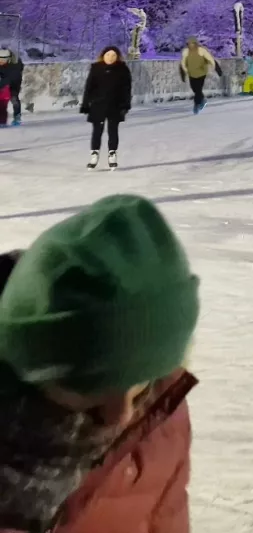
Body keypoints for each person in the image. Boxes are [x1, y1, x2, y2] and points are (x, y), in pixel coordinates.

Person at [0, 194, 200, 533]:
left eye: (141, 381)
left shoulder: (160, 417)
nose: (122, 415)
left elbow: (163, 519)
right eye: (91, 384)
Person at [81, 46, 132, 170]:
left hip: (115, 105)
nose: (111, 58)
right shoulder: (96, 68)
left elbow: (127, 89)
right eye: (108, 55)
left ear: (117, 57)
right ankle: (94, 154)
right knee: (97, 131)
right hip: (98, 105)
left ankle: (112, 154)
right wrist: (86, 104)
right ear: (103, 56)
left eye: (114, 55)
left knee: (113, 130)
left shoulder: (122, 69)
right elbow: (89, 87)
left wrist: (125, 105)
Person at [178, 37, 218, 114]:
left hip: (201, 73)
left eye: (192, 44)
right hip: (191, 73)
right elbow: (183, 63)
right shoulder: (186, 52)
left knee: (198, 89)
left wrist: (216, 69)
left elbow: (210, 59)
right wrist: (183, 73)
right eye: (189, 44)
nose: (191, 46)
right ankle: (202, 100)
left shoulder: (201, 51)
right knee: (194, 89)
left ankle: (197, 105)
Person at [0, 47, 21, 126]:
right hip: (5, 81)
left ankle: (17, 117)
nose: (0, 61)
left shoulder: (13, 67)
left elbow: (7, 79)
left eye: (2, 60)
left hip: (14, 82)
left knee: (14, 97)